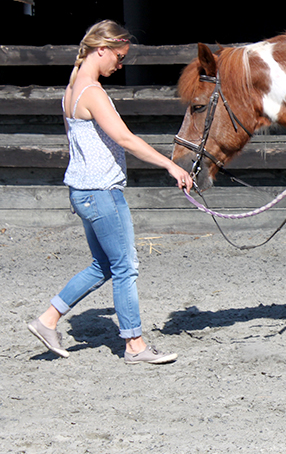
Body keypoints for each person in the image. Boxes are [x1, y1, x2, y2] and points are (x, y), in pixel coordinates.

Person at [27, 20, 193, 364]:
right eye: (119, 57)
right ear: (101, 49)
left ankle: (47, 320)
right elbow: (125, 138)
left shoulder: (71, 90)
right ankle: (135, 344)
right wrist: (171, 165)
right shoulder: (92, 92)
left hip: (82, 190)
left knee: (103, 265)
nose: (120, 65)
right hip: (102, 192)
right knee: (126, 266)